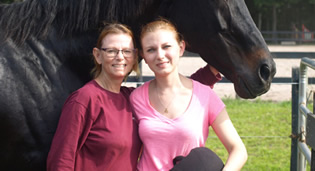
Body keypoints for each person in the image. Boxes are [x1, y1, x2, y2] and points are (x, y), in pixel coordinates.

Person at [47, 23, 221, 171]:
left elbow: (175, 89)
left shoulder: (132, 98)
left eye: (126, 51)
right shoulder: (84, 99)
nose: (120, 57)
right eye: (112, 51)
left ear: (135, 57)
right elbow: (61, 160)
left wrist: (213, 69)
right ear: (98, 55)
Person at [130, 19, 248, 171]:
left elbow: (238, 150)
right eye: (151, 50)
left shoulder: (205, 96)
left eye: (166, 46)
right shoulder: (136, 98)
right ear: (143, 56)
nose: (160, 55)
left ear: (181, 48)